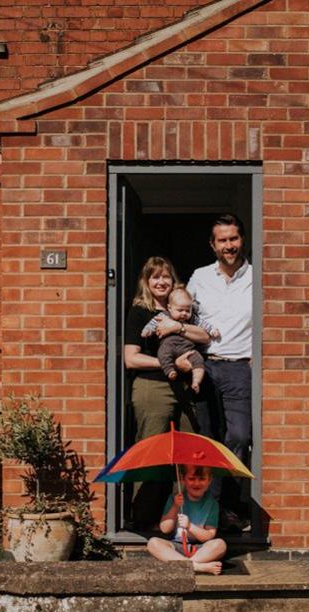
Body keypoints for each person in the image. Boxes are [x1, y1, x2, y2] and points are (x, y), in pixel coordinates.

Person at [125, 257, 211, 529]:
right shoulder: (140, 312)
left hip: (184, 389)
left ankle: (180, 520)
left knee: (187, 451)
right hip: (153, 387)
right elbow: (131, 358)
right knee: (152, 450)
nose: (161, 282)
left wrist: (181, 326)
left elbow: (206, 337)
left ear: (174, 282)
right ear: (146, 282)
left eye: (166, 277)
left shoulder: (182, 311)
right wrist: (171, 365)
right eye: (155, 277)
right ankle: (144, 518)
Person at [187, 214, 253, 531]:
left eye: (234, 239)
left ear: (242, 240)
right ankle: (207, 511)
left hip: (242, 367)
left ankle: (226, 505)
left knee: (239, 438)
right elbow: (183, 314)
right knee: (207, 441)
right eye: (223, 240)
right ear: (213, 245)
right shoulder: (199, 277)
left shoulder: (258, 276)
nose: (229, 246)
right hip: (207, 366)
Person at [146, 465, 226, 575]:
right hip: (175, 546)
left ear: (209, 480)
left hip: (200, 550)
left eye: (202, 479)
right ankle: (196, 567)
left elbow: (209, 535)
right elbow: (165, 529)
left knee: (220, 545)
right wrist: (175, 506)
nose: (196, 483)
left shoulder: (212, 504)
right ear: (183, 479)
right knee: (153, 543)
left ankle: (183, 565)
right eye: (191, 479)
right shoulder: (174, 498)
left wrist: (190, 526)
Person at [140, 286, 220, 393]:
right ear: (169, 307)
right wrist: (148, 330)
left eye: (188, 310)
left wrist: (212, 330)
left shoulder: (192, 319)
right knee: (163, 354)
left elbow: (203, 324)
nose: (184, 313)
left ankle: (196, 381)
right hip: (168, 346)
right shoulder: (164, 316)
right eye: (180, 310)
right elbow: (153, 323)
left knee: (198, 359)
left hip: (187, 348)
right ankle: (170, 370)